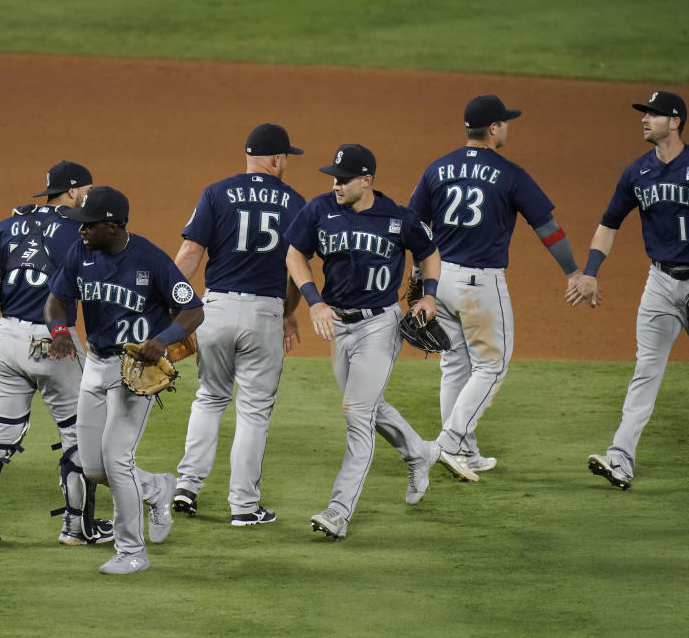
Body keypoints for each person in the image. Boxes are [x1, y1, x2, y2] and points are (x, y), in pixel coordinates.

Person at [406, 95, 581, 476]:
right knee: (492, 367)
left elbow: (413, 226)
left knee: (455, 364)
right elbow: (547, 228)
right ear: (494, 128)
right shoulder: (509, 173)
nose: (508, 127)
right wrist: (573, 272)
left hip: (441, 278)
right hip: (479, 285)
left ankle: (465, 452)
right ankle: (448, 444)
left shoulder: (437, 169)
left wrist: (419, 275)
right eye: (505, 122)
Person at [285, 144, 451, 541]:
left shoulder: (398, 217)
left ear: (367, 181)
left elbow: (429, 252)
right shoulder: (319, 209)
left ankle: (338, 512)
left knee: (357, 413)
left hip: (380, 326)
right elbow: (294, 254)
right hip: (339, 325)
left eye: (343, 179)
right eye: (333, 178)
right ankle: (420, 452)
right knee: (366, 405)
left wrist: (429, 294)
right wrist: (314, 303)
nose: (336, 184)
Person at [0, 161, 114, 547]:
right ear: (73, 192)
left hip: (6, 338)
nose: (89, 197)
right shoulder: (81, 230)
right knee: (79, 434)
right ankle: (77, 528)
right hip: (54, 340)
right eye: (87, 191)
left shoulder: (7, 225)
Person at [45, 186, 204, 574]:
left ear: (114, 227)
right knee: (93, 467)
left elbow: (192, 310)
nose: (80, 231)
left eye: (88, 225)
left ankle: (132, 551)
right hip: (95, 366)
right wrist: (60, 330)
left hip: (134, 369)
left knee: (117, 459)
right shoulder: (80, 252)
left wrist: (162, 341)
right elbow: (56, 301)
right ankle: (156, 489)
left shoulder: (150, 259)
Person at [171, 123, 306, 525]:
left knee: (210, 397)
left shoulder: (216, 192)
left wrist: (172, 304)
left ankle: (186, 487)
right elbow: (296, 269)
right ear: (277, 159)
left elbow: (190, 252)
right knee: (253, 411)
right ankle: (244, 506)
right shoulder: (294, 201)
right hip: (264, 312)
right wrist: (287, 313)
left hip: (215, 308)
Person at [567, 91, 688, 490]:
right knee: (645, 371)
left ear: (675, 122)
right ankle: (620, 458)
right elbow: (608, 224)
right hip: (660, 283)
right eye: (644, 113)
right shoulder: (637, 173)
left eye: (653, 114)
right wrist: (591, 271)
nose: (644, 119)